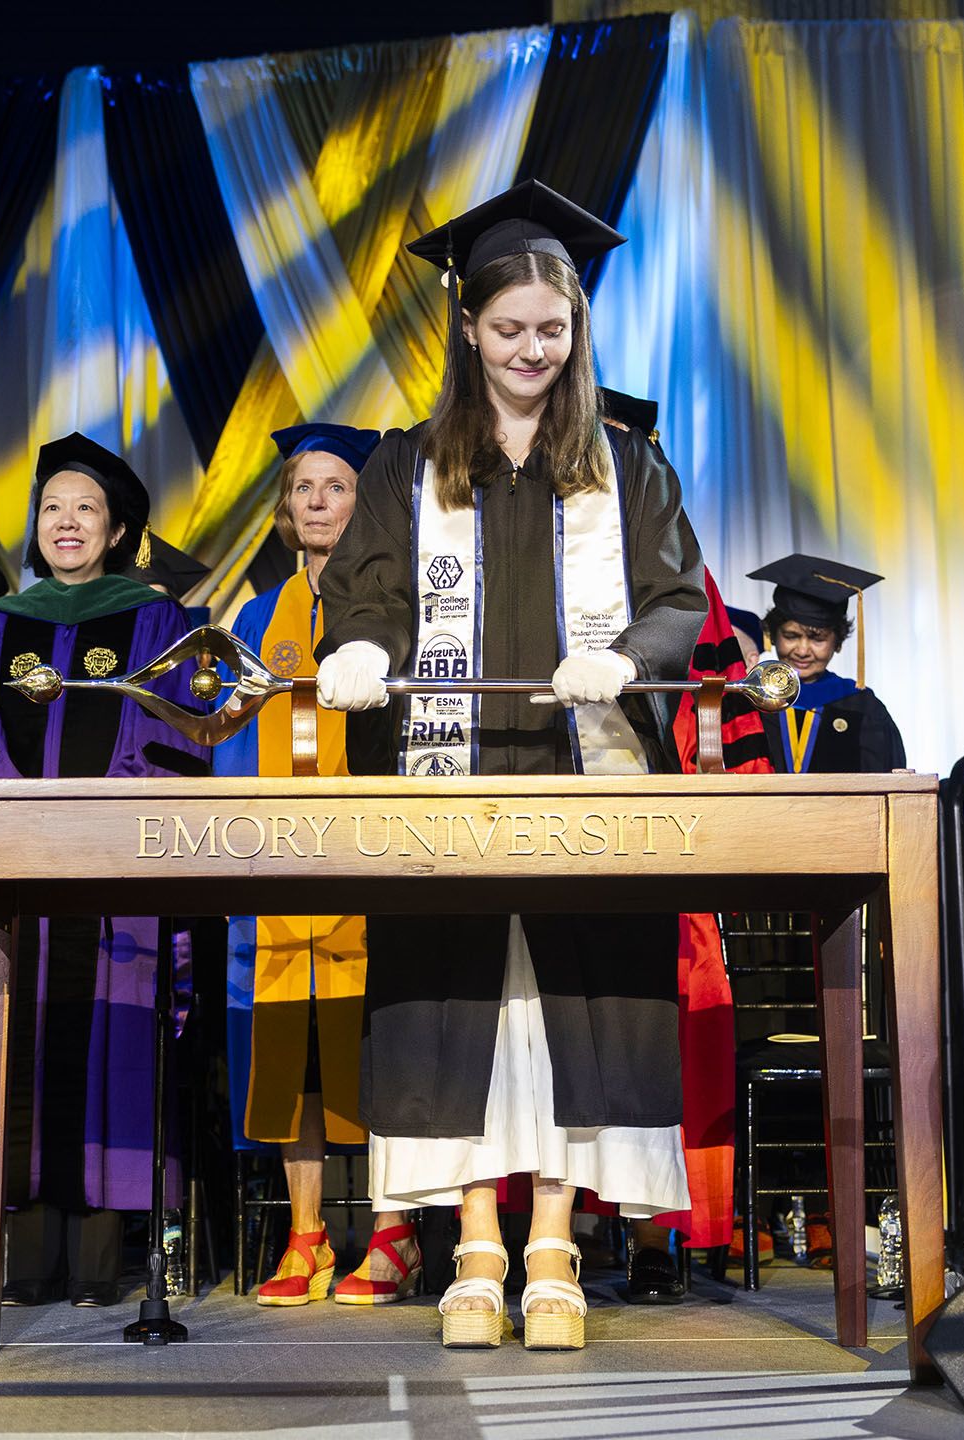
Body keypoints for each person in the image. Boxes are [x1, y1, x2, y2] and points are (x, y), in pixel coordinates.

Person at [314, 182, 706, 1352]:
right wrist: (363, 651)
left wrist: (626, 659)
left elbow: (677, 598)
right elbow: (369, 589)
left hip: (588, 770)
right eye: (508, 328)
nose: (532, 350)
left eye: (552, 328)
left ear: (576, 330)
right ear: (467, 331)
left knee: (573, 1005)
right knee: (459, 1001)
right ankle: (474, 1244)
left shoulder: (626, 466)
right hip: (453, 775)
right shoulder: (405, 466)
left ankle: (552, 1242)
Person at [0, 432, 210, 1307]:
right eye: (52, 508)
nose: (66, 522)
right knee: (18, 1046)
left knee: (112, 1044)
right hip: (23, 873)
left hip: (113, 869)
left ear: (118, 528)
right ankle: (27, 1259)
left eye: (85, 508)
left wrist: (100, 818)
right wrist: (22, 814)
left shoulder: (157, 621)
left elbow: (175, 736)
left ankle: (98, 1261)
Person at [215, 423, 421, 1307]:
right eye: (305, 489)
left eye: (337, 486)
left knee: (376, 1045)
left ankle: (392, 1232)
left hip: (369, 855)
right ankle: (306, 1237)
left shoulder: (395, 605)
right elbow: (227, 743)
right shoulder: (257, 618)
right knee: (290, 1048)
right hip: (281, 863)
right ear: (286, 510)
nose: (320, 503)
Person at [744, 556, 905, 774]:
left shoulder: (863, 706)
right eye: (791, 636)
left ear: (837, 643)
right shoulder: (751, 702)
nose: (802, 650)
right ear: (772, 636)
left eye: (817, 639)